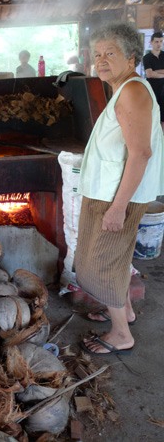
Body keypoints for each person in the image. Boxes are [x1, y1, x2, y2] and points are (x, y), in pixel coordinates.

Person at [73, 22, 164, 356]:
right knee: (116, 259)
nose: (102, 60)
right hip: (108, 193)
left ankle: (121, 334)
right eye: (97, 54)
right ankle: (123, 309)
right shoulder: (124, 89)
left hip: (116, 197)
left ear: (131, 57)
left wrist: (117, 207)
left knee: (99, 264)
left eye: (110, 53)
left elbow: (141, 154)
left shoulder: (134, 91)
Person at [143, 31, 164, 128]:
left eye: (161, 41)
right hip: (152, 90)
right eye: (156, 41)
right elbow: (149, 74)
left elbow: (152, 73)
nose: (159, 44)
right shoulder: (147, 57)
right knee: (153, 116)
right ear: (151, 42)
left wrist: (156, 72)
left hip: (163, 90)